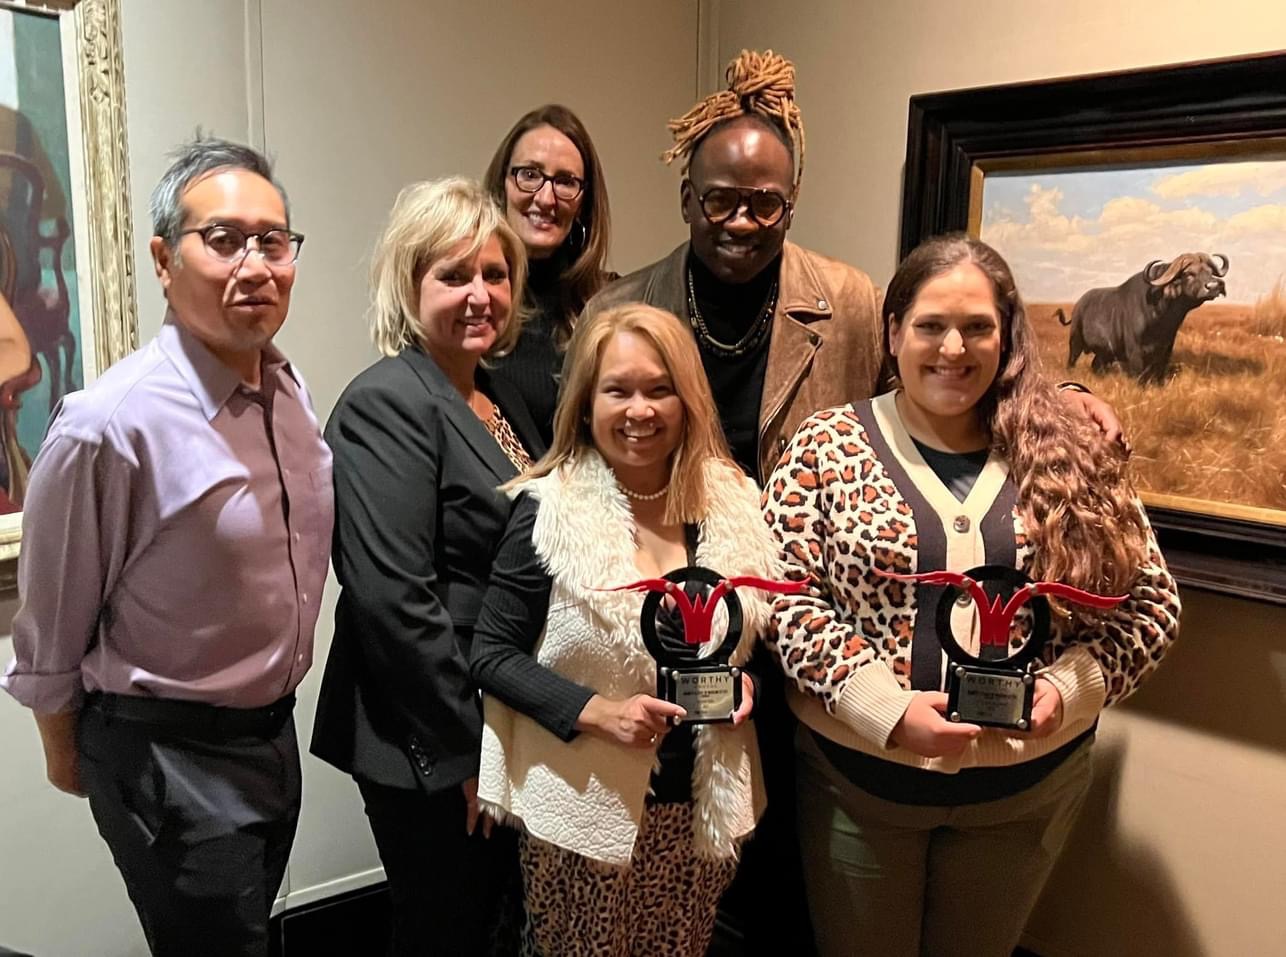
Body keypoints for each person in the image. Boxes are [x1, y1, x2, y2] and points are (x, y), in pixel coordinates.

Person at [583, 49, 1127, 954]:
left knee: (795, 868)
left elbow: (945, 387)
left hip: (800, 627)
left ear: (791, 203)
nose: (742, 221)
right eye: (720, 198)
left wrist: (1060, 395)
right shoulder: (629, 299)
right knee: (675, 850)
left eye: (766, 202)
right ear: (686, 196)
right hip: (676, 614)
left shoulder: (846, 299)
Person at [764, 234, 1182, 957]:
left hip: (1025, 797)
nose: (953, 348)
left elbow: (1151, 604)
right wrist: (884, 707)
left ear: (1007, 334)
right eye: (930, 325)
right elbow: (786, 596)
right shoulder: (827, 445)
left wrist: (1070, 687)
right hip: (861, 790)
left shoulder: (1068, 447)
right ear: (894, 332)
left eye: (977, 327)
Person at [0, 136, 331, 957]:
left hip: (271, 736)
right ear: (162, 257)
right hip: (170, 757)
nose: (255, 264)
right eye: (223, 240)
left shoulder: (288, 392)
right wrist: (75, 759)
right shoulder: (108, 425)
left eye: (274, 241)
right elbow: (49, 624)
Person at [470, 302, 780, 956]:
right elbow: (490, 653)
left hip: (697, 809)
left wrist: (743, 685)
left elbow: (736, 636)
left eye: (659, 389)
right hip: (582, 803)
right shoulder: (547, 511)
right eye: (618, 390)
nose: (640, 410)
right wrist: (595, 710)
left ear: (687, 399)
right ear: (585, 403)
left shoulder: (732, 504)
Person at [310, 176, 542, 956]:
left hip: (498, 711)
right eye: (453, 274)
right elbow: (393, 600)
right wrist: (465, 749)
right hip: (430, 732)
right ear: (409, 286)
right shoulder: (388, 402)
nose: (480, 294)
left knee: (490, 923)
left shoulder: (493, 395)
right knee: (444, 929)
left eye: (495, 273)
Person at [484, 104, 616, 444]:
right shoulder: (470, 303)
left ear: (584, 202)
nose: (546, 198)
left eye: (565, 181)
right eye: (529, 174)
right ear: (503, 184)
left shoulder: (612, 303)